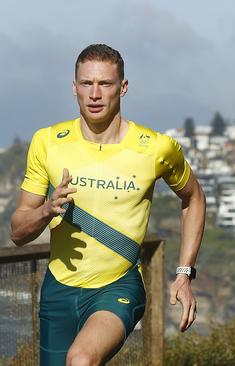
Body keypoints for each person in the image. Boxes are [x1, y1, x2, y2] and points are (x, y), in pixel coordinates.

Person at [10, 44, 205, 366]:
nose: (95, 94)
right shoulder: (47, 142)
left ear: (123, 87)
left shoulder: (156, 148)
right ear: (74, 88)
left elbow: (194, 198)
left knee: (82, 360)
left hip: (118, 284)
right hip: (58, 289)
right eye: (86, 84)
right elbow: (17, 232)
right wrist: (46, 209)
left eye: (105, 84)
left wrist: (184, 273)